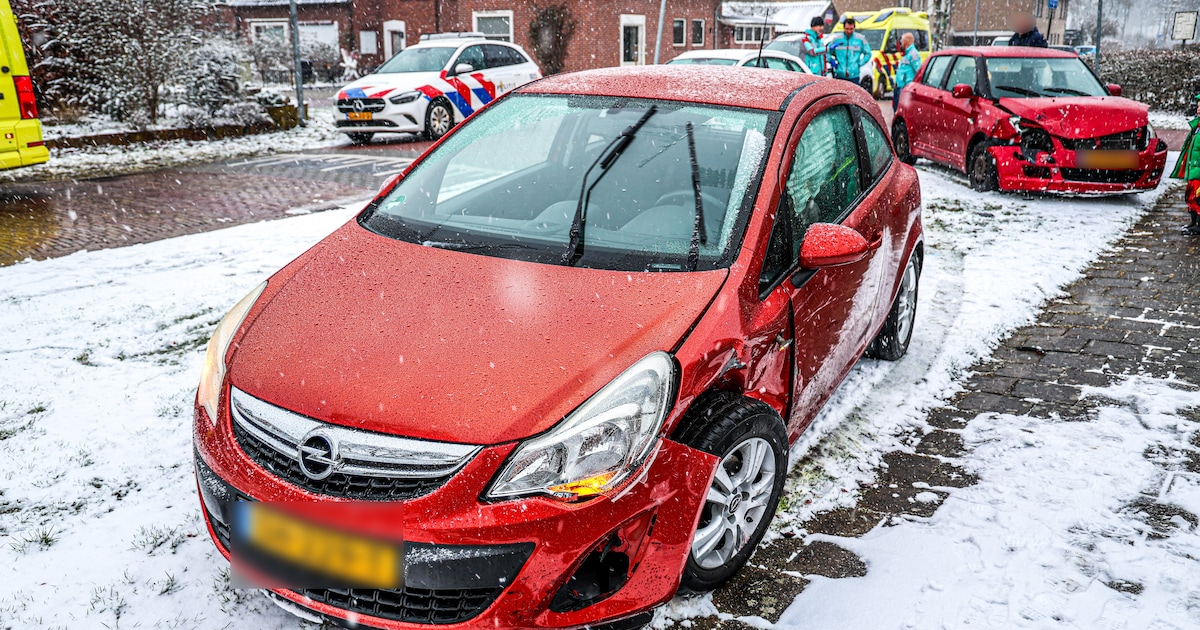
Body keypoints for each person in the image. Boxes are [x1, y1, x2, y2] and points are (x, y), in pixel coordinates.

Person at [1171, 94, 1200, 235]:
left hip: (1198, 170)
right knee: (1190, 196)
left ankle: (1199, 225)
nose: (1199, 109)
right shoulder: (1197, 126)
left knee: (1197, 197)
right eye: (1199, 106)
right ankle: (1193, 222)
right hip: (1194, 168)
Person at [829, 17, 871, 87]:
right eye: (847, 29)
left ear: (854, 28)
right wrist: (832, 61)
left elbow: (868, 53)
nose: (849, 31)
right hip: (840, 74)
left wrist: (859, 63)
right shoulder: (837, 39)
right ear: (844, 28)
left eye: (851, 29)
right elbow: (827, 51)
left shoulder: (860, 39)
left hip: (854, 75)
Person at [892, 32, 922, 111]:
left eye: (902, 41)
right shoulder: (907, 54)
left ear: (906, 41)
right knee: (897, 109)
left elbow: (919, 70)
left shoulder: (913, 54)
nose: (901, 43)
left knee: (902, 110)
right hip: (900, 86)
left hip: (906, 87)